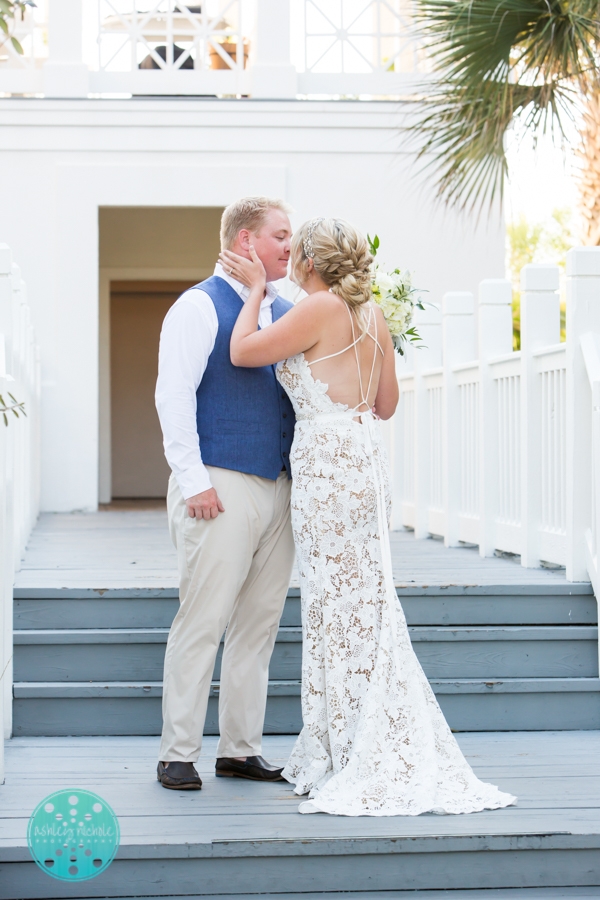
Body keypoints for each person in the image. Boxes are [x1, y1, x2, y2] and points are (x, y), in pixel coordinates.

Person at [225, 216, 517, 816]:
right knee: (368, 602)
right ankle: (357, 734)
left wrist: (255, 290)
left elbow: (242, 351)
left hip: (325, 467)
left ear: (308, 260)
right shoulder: (372, 313)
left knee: (334, 605)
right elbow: (385, 406)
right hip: (362, 461)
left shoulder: (316, 307)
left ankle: (352, 746)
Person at [154, 196, 296, 790]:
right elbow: (173, 397)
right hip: (219, 482)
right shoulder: (197, 306)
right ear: (245, 241)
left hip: (280, 487)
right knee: (203, 618)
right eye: (281, 235)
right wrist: (196, 483)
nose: (292, 246)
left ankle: (240, 748)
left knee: (259, 624)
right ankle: (178, 751)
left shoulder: (288, 310)